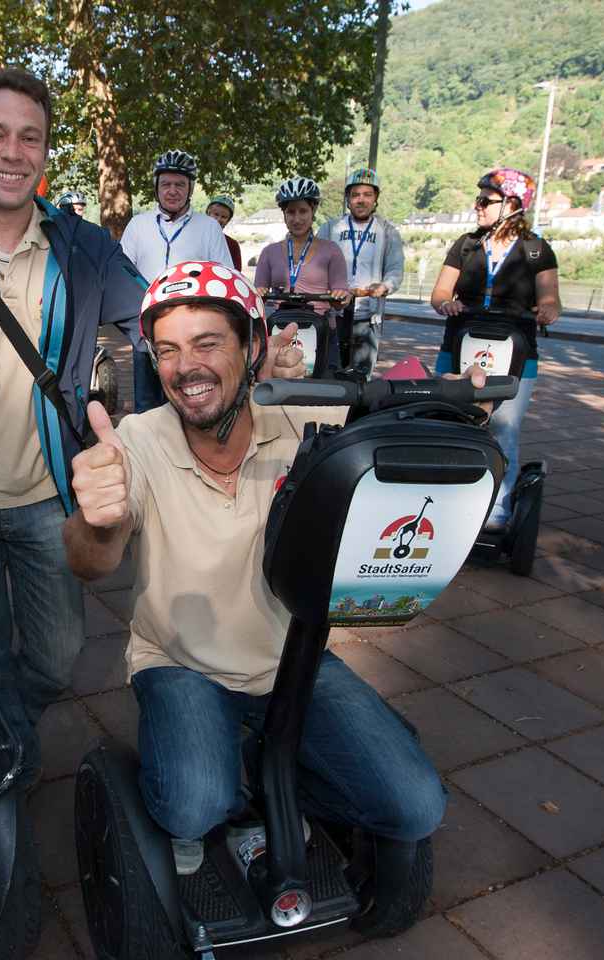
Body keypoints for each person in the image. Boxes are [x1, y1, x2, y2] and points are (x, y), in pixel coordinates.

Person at [61, 261, 447, 880]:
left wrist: (450, 407)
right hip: (182, 663)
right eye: (167, 350)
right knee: (193, 807)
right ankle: (241, 793)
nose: (185, 366)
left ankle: (263, 781)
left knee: (415, 806)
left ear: (253, 347)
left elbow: (393, 439)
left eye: (208, 343)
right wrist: (98, 518)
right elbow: (88, 564)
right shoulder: (135, 439)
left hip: (293, 658)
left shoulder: (303, 423)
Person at [0, 68, 146, 787]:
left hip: (52, 496)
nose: (12, 152)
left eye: (30, 137)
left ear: (46, 153)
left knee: (60, 654)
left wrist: (249, 332)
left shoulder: (81, 245)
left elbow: (158, 314)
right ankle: (1, 761)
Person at [430, 167, 560, 531]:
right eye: (478, 199)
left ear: (513, 205)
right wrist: (446, 305)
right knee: (449, 417)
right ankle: (443, 496)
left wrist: (548, 310)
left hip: (515, 348)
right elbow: (439, 294)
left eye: (486, 200)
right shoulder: (466, 244)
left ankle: (498, 505)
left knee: (503, 426)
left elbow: (551, 299)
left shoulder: (535, 249)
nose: (478, 206)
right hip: (461, 342)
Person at [120, 150, 232, 413]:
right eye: (166, 184)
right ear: (156, 188)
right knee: (146, 402)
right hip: (147, 326)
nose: (172, 190)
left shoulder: (208, 227)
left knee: (189, 398)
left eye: (180, 184)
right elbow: (121, 273)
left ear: (190, 188)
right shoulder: (138, 225)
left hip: (192, 327)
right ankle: (146, 452)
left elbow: (224, 275)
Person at [253, 178, 352, 371]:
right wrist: (260, 292)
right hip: (281, 327)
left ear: (313, 210)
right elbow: (257, 301)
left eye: (303, 211)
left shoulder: (331, 250)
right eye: (290, 212)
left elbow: (341, 297)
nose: (296, 219)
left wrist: (340, 296)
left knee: (328, 385)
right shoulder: (269, 252)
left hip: (320, 327)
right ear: (283, 213)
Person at [320, 168, 405, 377]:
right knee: (330, 374)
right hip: (334, 314)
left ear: (375, 199)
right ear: (348, 199)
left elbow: (395, 267)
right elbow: (316, 263)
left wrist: (385, 286)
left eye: (367, 195)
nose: (361, 200)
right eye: (355, 195)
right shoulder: (331, 227)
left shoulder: (387, 231)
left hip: (368, 318)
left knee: (361, 378)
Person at [205, 195, 243, 271]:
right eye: (216, 214)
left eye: (224, 217)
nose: (219, 219)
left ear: (228, 221)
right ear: (208, 214)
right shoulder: (194, 237)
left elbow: (236, 274)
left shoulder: (232, 245)